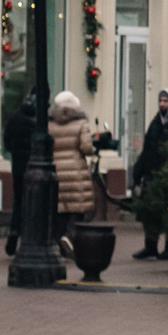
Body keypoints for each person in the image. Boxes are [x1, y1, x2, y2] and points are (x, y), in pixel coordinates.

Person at [130, 88, 168, 260]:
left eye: (166, 101)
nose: (162, 104)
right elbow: (147, 148)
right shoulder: (156, 122)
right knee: (149, 212)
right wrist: (138, 170)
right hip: (152, 174)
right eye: (161, 101)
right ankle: (151, 246)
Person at [49, 90, 98, 233]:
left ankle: (59, 239)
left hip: (56, 170)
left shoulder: (50, 123)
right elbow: (86, 147)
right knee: (77, 211)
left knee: (59, 210)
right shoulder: (81, 123)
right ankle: (72, 240)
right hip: (76, 172)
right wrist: (93, 149)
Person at [2, 98, 33, 256]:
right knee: (35, 204)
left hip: (18, 168)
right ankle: (29, 239)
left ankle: (14, 231)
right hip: (35, 169)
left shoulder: (15, 118)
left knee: (19, 201)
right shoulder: (39, 121)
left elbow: (7, 142)